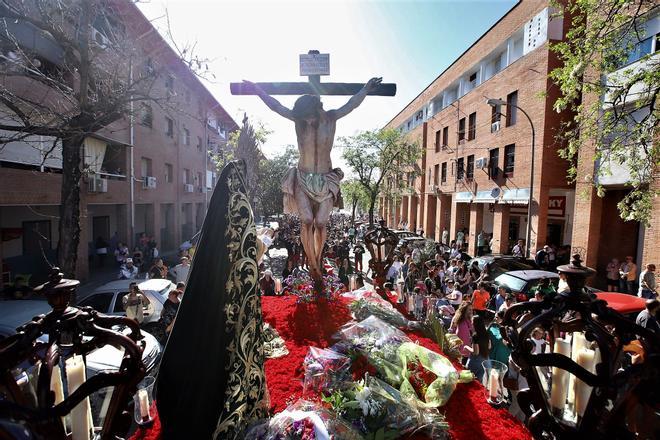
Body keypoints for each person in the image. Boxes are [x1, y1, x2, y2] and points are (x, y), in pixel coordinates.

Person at [247, 77, 382, 285]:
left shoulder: (332, 117)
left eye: (310, 118)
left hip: (326, 179)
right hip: (303, 177)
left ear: (318, 109)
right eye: (304, 119)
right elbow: (276, 106)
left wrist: (365, 89)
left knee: (320, 223)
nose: (308, 122)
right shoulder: (298, 119)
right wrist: (258, 90)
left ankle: (318, 258)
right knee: (307, 221)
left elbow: (351, 104)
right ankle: (313, 264)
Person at [466, 315, 491, 381]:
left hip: (475, 361)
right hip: (484, 360)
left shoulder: (475, 336)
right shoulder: (486, 333)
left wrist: (466, 347)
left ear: (474, 324)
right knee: (479, 381)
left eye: (472, 322)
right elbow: (489, 346)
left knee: (469, 378)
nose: (471, 323)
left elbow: (475, 352)